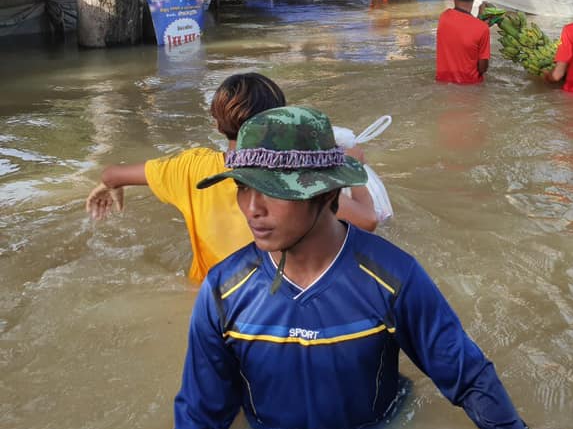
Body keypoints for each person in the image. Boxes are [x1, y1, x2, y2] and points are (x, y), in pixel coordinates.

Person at [171, 106, 535, 429]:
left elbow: (467, 377)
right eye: (242, 186)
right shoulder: (224, 290)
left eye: (272, 190)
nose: (252, 208)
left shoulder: (392, 277)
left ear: (326, 191)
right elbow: (201, 415)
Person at [85, 73, 377, 284]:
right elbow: (368, 220)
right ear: (280, 119)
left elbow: (112, 173)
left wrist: (109, 185)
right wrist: (353, 171)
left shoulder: (190, 169)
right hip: (276, 298)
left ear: (215, 122)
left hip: (210, 297)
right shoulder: (296, 177)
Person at [436, 0, 491, 84]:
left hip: (443, 85)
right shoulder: (482, 29)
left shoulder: (443, 18)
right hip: (471, 89)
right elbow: (483, 68)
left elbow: (462, 27)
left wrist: (479, 20)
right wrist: (480, 21)